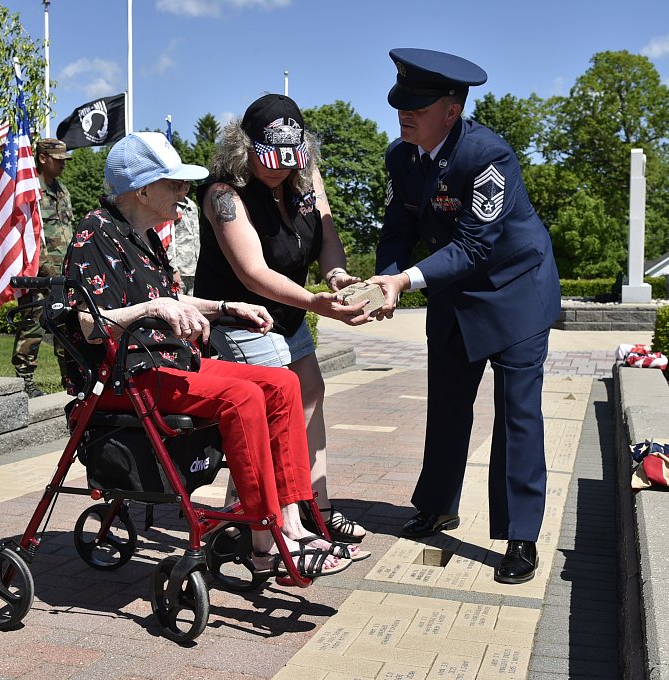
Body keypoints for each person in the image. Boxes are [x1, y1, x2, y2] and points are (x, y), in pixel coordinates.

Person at [62, 131, 365, 576]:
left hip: (169, 363)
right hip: (134, 374)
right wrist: (153, 307)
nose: (185, 193)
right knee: (242, 398)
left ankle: (295, 521)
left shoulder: (145, 236)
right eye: (176, 184)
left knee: (284, 383)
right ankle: (264, 539)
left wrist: (226, 306)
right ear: (144, 189)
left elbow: (175, 299)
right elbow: (86, 323)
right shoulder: (95, 235)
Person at [368, 49, 561, 585]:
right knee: (447, 404)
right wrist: (379, 282)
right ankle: (436, 506)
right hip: (452, 294)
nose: (404, 115)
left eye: (418, 106)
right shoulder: (401, 158)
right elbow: (398, 229)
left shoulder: (489, 156)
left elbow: (477, 245)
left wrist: (405, 281)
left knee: (517, 415)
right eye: (400, 104)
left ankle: (521, 535)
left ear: (451, 111)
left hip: (515, 292)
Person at [193, 94, 373, 544]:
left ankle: (318, 507)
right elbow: (253, 274)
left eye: (289, 160)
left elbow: (326, 236)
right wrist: (315, 303)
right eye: (269, 158)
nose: (279, 168)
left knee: (310, 394)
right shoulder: (223, 194)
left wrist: (335, 274)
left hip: (290, 311)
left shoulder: (305, 173)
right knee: (268, 407)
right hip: (239, 315)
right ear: (242, 148)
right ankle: (258, 523)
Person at [11, 138, 75, 397]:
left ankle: (70, 378)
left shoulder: (63, 191)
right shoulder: (30, 191)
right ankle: (24, 381)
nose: (62, 165)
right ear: (42, 158)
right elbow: (30, 235)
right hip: (39, 275)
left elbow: (67, 231)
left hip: (63, 274)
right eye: (57, 159)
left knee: (66, 327)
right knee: (33, 325)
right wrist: (46, 270)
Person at [166, 195, 200, 295]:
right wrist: (173, 269)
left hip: (194, 268)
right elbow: (168, 240)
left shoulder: (192, 205)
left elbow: (196, 236)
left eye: (188, 183)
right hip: (179, 269)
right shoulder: (171, 205)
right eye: (182, 182)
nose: (185, 186)